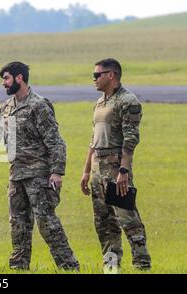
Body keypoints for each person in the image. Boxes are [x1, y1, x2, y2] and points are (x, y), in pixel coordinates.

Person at [0, 61, 79, 271]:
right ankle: (19, 267)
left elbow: (55, 141)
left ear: (19, 78)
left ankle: (69, 266)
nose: (4, 84)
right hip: (16, 176)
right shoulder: (6, 107)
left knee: (47, 224)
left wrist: (57, 172)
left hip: (39, 176)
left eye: (6, 78)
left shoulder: (39, 105)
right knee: (18, 226)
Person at [80, 58, 151, 270]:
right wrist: (86, 171)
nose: (94, 79)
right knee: (104, 224)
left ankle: (142, 266)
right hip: (96, 169)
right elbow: (93, 139)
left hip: (115, 167)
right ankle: (111, 268)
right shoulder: (100, 102)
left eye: (97, 75)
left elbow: (131, 139)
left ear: (111, 75)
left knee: (128, 219)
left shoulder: (127, 101)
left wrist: (123, 170)